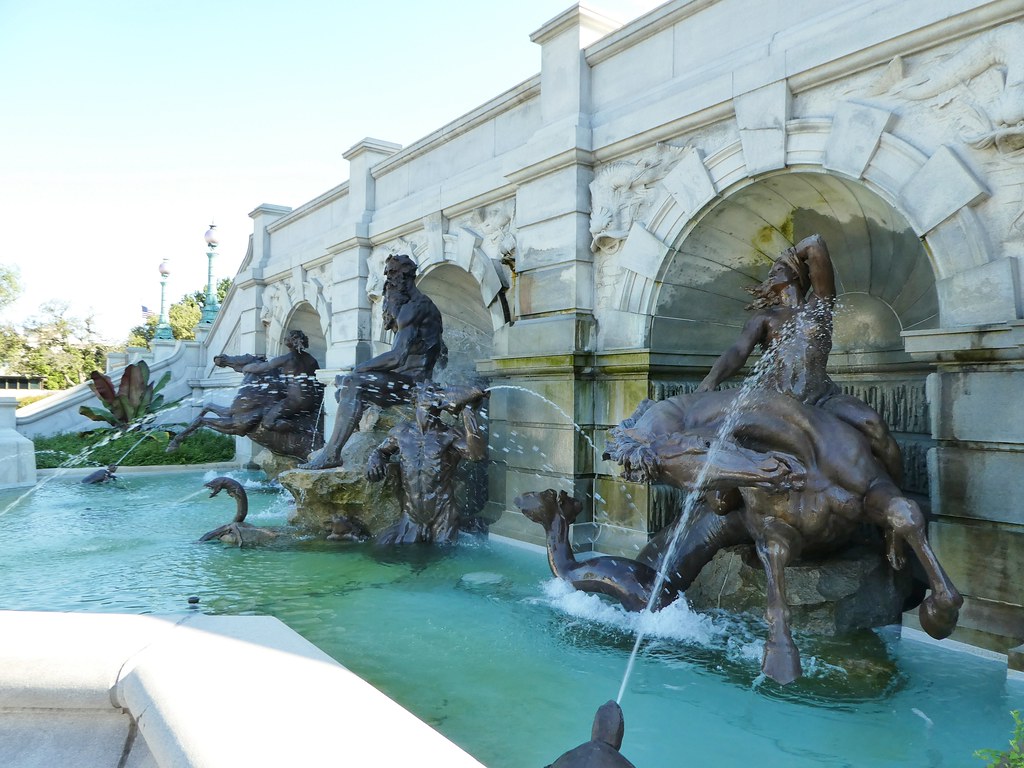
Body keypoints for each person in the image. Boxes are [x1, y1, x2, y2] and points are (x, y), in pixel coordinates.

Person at [696, 234, 903, 483]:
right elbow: (738, 352)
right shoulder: (765, 317)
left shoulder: (820, 304)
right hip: (778, 400)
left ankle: (894, 496)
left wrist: (788, 255)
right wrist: (711, 378)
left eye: (779, 268)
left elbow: (816, 243)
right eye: (771, 270)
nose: (771, 274)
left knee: (874, 425)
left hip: (822, 397)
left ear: (796, 274)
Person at [302, 254, 446, 469]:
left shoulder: (415, 308)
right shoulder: (415, 306)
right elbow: (441, 353)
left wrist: (358, 370)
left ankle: (332, 453)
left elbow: (397, 357)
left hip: (414, 386)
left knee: (353, 382)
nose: (387, 279)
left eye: (392, 274)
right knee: (347, 385)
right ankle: (349, 443)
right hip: (408, 381)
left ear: (404, 276)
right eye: (387, 274)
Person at [365, 382, 487, 544]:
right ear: (416, 399)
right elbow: (381, 451)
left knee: (442, 559)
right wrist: (375, 459)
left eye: (437, 392)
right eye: (429, 391)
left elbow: (477, 455)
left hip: (443, 515)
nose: (434, 395)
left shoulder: (450, 435)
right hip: (411, 516)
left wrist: (469, 411)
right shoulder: (401, 432)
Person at [237, 329, 322, 430]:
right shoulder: (311, 359)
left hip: (294, 401)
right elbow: (319, 382)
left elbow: (260, 368)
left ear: (293, 340)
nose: (285, 338)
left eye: (288, 336)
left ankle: (296, 429)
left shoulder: (287, 358)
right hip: (311, 402)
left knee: (267, 423)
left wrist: (244, 368)